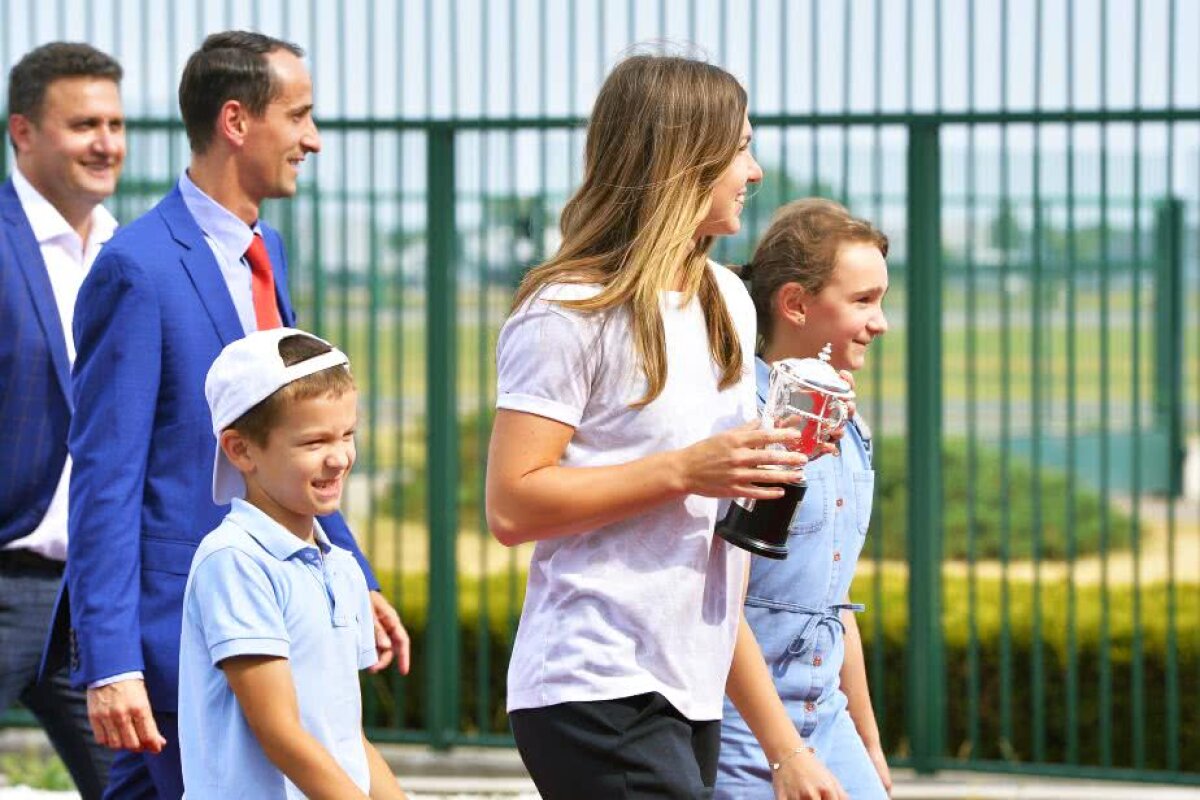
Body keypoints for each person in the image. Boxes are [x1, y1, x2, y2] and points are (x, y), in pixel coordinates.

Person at [485, 54, 847, 799]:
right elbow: (512, 505)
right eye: (741, 147)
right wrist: (687, 470)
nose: (756, 170)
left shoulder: (725, 300)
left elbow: (714, 556)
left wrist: (783, 749)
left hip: (689, 688)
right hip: (592, 683)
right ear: (685, 160)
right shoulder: (567, 311)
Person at [64, 31, 409, 799]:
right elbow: (105, 475)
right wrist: (113, 662)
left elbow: (286, 429)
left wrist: (354, 575)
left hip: (254, 628)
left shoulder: (268, 250)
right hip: (177, 638)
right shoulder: (137, 268)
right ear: (235, 121)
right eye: (299, 116)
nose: (312, 139)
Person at [177, 328, 406, 800]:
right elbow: (282, 735)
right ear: (240, 449)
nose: (340, 457)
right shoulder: (235, 561)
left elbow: (348, 740)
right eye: (313, 442)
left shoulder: (340, 567)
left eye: (347, 435)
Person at [715, 198, 892, 799]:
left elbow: (834, 602)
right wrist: (783, 751)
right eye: (863, 301)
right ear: (795, 303)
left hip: (828, 721)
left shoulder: (849, 427)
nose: (881, 322)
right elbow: (718, 601)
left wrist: (865, 745)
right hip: (742, 729)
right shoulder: (746, 420)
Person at [0, 41, 124, 799]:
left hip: (89, 602)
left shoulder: (128, 253)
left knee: (138, 786)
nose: (106, 142)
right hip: (5, 577)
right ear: (23, 133)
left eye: (115, 122)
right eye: (84, 124)